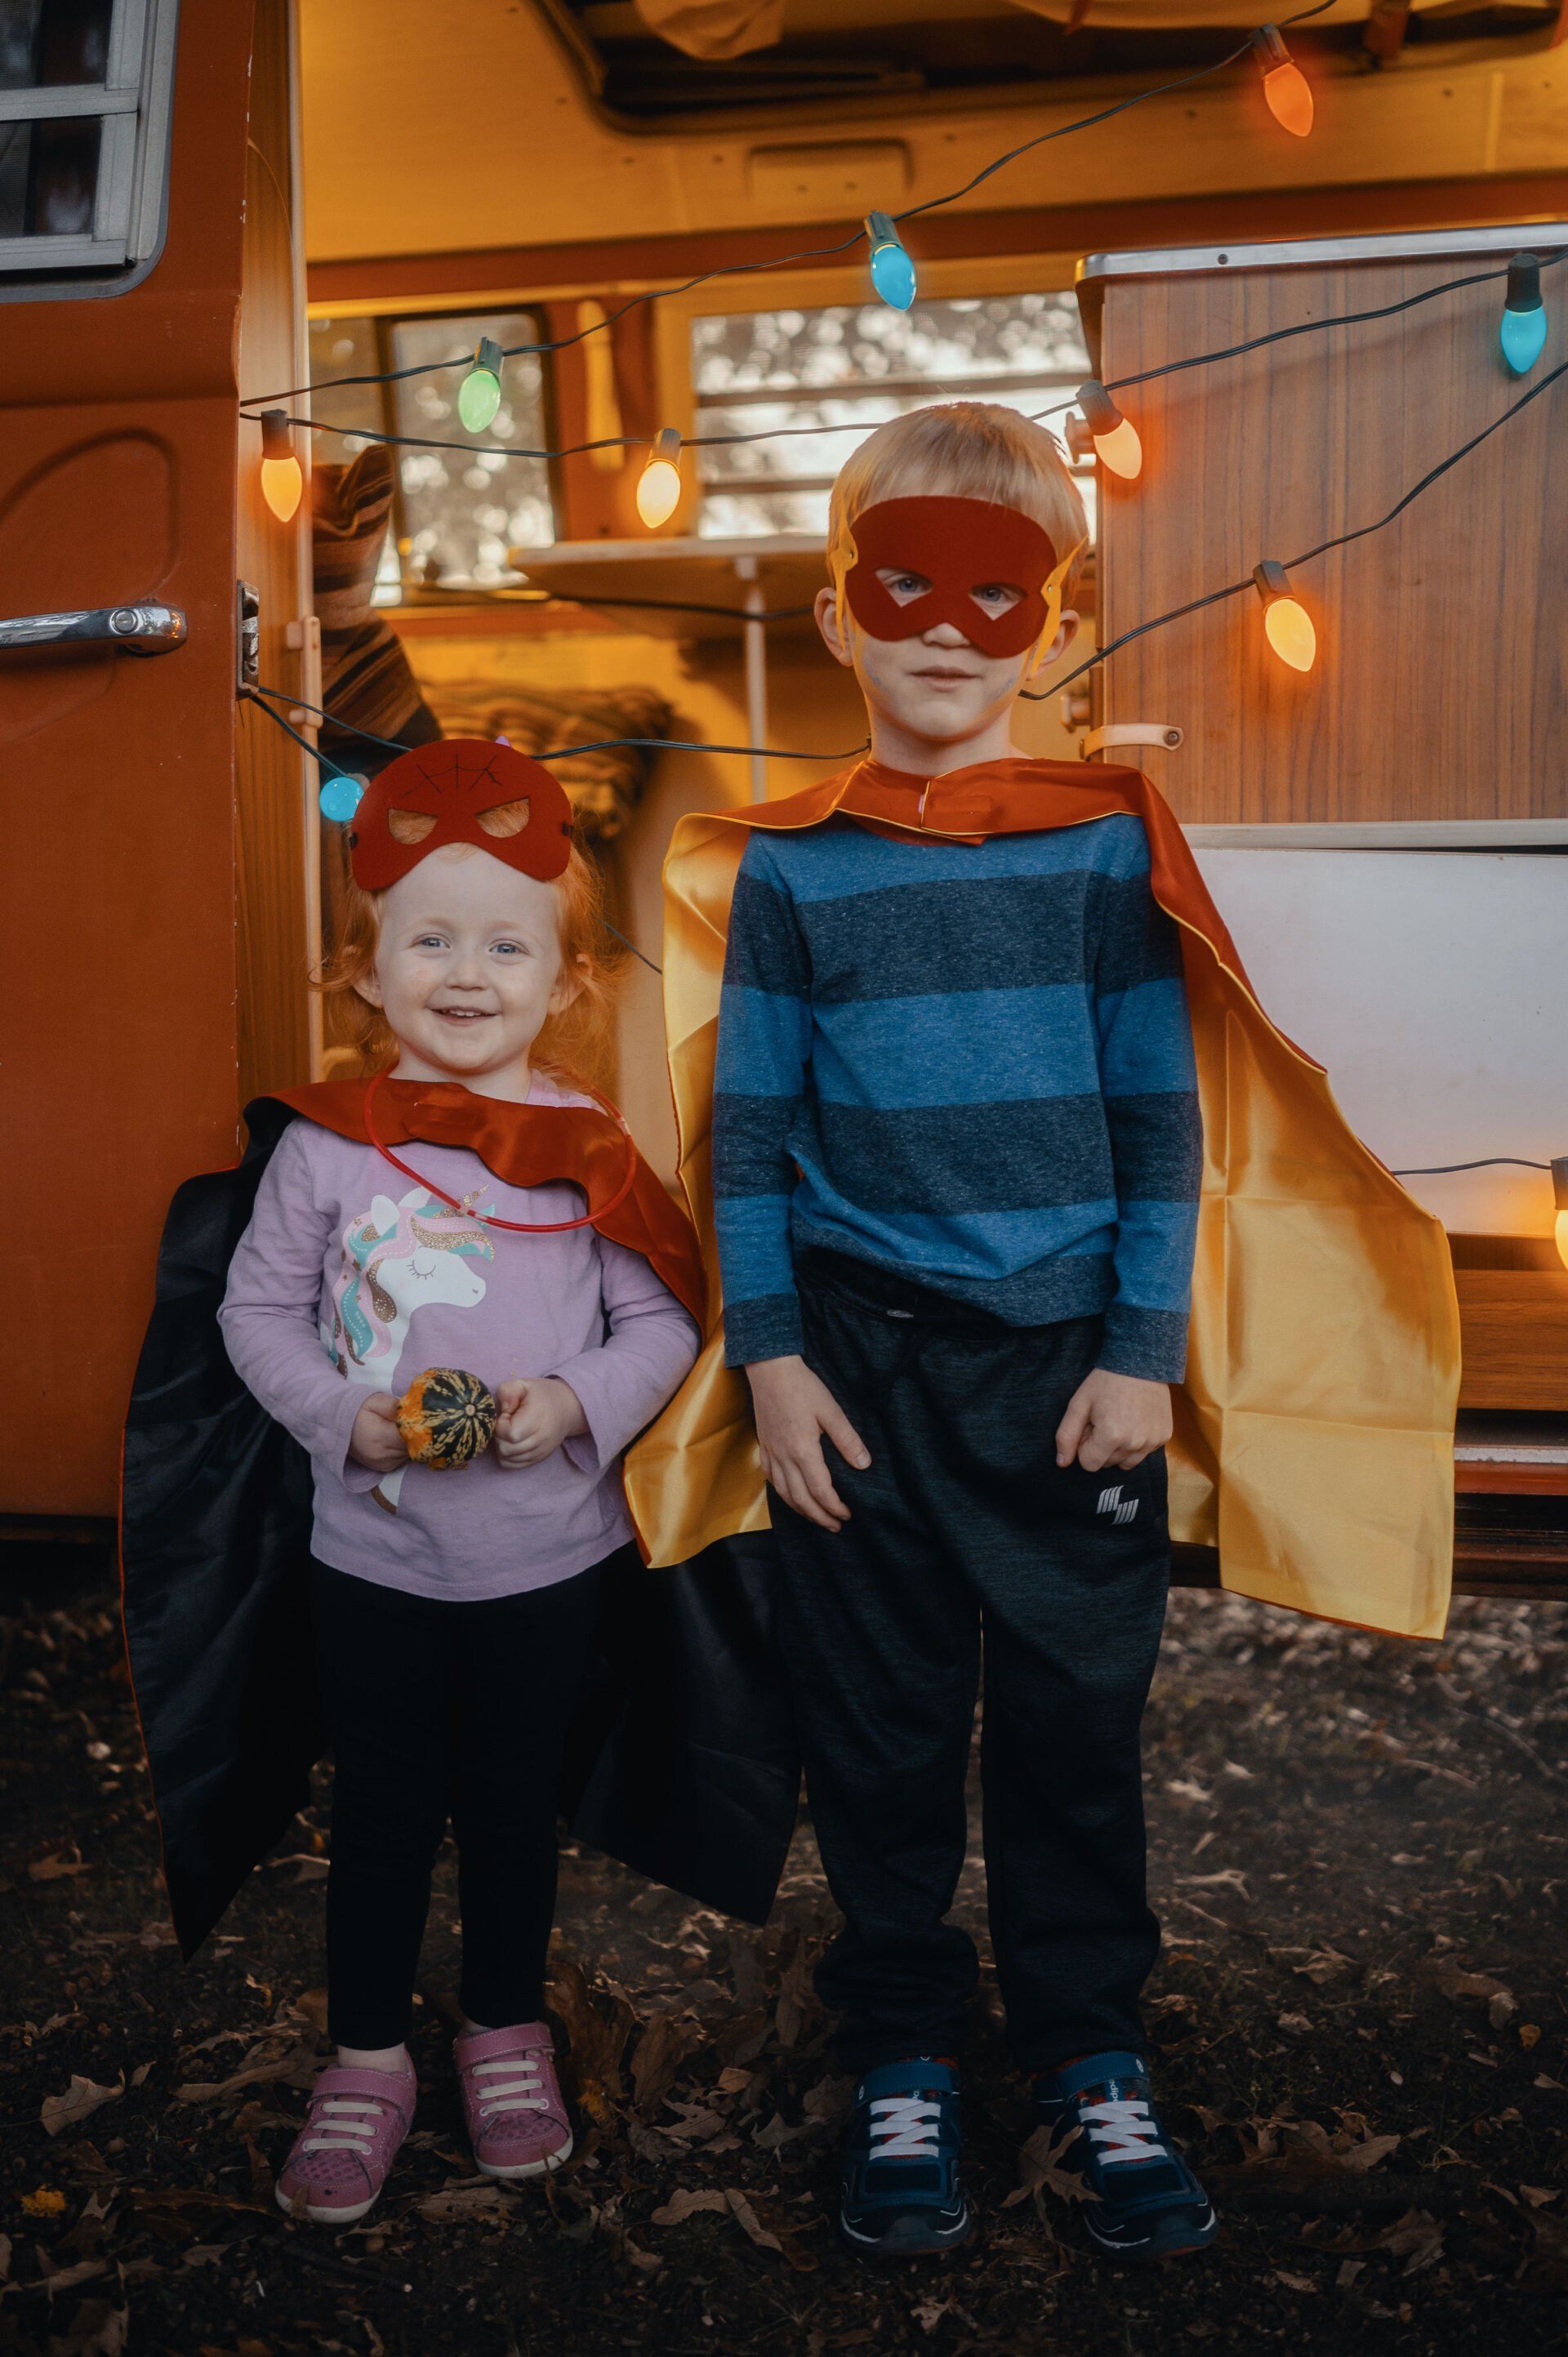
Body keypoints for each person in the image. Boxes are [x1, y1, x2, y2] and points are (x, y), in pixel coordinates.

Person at [709, 403, 1213, 2261]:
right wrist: (771, 1357)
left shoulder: (1098, 852)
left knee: (1076, 1730)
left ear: (1059, 626)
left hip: (1065, 1367)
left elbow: (1161, 1111)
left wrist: (1140, 1345)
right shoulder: (795, 866)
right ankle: (903, 2042)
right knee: (885, 1730)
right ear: (839, 611)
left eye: (999, 596)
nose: (946, 624)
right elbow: (748, 1128)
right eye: (903, 580)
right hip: (858, 1368)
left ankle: (1092, 2050)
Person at [211, 742, 700, 2225]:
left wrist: (573, 1403)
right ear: (367, 974)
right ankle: (367, 2056)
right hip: (370, 1565)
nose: (467, 970)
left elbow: (662, 1320)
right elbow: (256, 1315)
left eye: (507, 943)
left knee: (505, 1805)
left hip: (542, 1561)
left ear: (564, 983)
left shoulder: (587, 1158)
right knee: (376, 1811)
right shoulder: (326, 1151)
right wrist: (336, 1416)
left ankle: (501, 2029)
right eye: (429, 939)